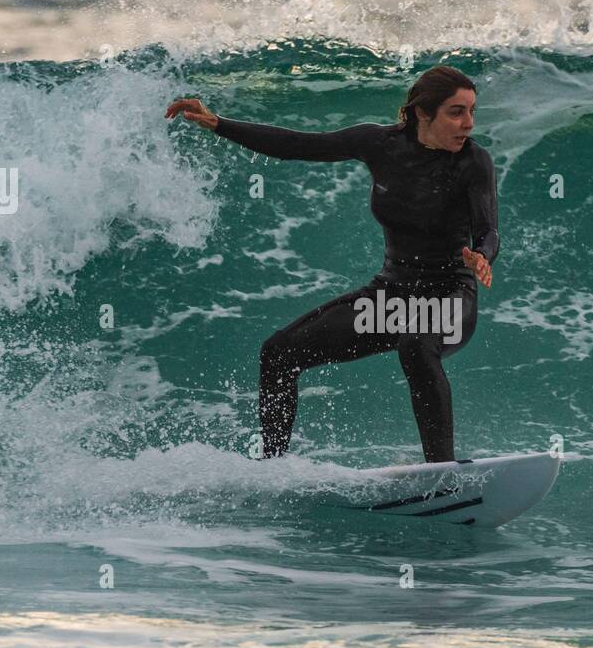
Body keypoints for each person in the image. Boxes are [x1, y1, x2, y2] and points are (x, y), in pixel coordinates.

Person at [165, 65, 498, 463]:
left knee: (417, 344)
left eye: (472, 112)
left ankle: (441, 472)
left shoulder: (474, 161)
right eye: (456, 112)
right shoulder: (379, 144)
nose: (468, 123)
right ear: (423, 113)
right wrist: (220, 124)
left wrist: (482, 256)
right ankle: (272, 468)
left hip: (448, 299)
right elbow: (299, 146)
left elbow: (488, 230)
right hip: (391, 300)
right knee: (279, 353)